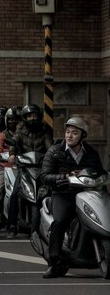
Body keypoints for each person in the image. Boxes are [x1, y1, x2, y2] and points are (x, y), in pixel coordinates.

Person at [40, 117, 102, 278]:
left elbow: (99, 172)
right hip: (63, 193)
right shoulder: (54, 151)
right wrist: (64, 177)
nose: (69, 136)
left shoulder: (91, 153)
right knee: (60, 221)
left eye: (74, 133)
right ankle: (54, 262)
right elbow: (45, 176)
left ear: (83, 135)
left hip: (87, 194)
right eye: (68, 132)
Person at [6, 104, 52, 238]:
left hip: (41, 168)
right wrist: (12, 154)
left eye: (35, 116)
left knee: (51, 193)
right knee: (15, 194)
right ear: (24, 118)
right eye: (29, 116)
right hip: (25, 169)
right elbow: (14, 143)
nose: (32, 118)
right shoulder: (20, 131)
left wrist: (52, 156)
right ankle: (12, 226)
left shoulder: (44, 132)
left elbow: (50, 147)